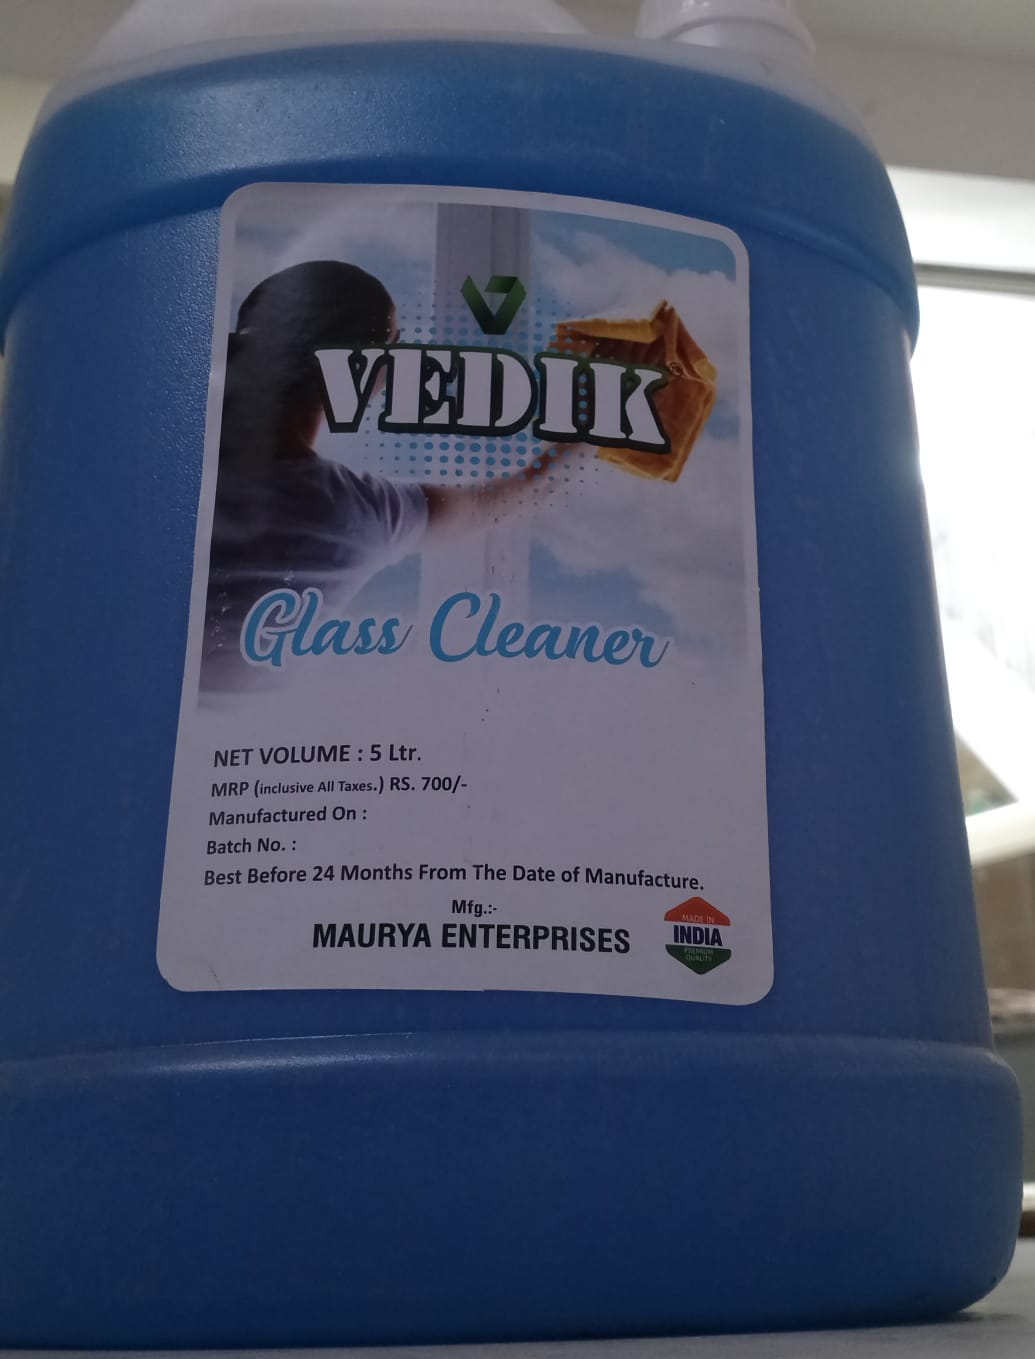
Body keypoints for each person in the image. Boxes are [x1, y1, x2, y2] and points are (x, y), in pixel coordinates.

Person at [204, 260, 573, 685]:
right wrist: (584, 437)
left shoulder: (181, 459)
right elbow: (494, 503)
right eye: (394, 346)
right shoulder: (343, 515)